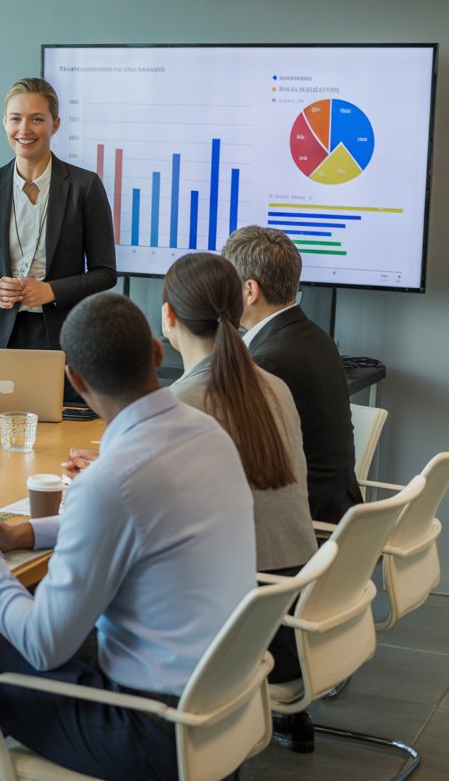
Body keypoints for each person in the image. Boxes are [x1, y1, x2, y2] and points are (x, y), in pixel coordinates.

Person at [0, 293, 256, 780]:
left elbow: (43, 645)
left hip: (150, 735)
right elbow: (137, 518)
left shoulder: (111, 481)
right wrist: (20, 534)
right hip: (224, 709)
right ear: (156, 353)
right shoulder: (208, 435)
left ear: (75, 381)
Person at [161, 252, 317, 693]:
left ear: (168, 316)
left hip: (239, 638)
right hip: (290, 617)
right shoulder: (274, 386)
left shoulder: (180, 402)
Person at [0, 77, 116, 356]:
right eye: (15, 119)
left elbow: (105, 273)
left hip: (62, 336)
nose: (24, 130)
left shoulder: (85, 186)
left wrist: (52, 291)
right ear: (5, 123)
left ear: (55, 124)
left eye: (36, 119)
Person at [221, 226, 362, 524]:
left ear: (249, 290)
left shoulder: (266, 360)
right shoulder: (317, 338)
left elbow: (229, 457)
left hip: (303, 528)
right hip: (340, 518)